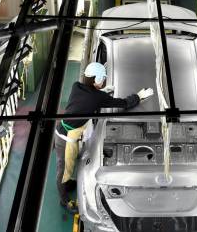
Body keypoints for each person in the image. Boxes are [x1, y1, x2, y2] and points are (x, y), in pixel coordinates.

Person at [55, 62, 153, 212]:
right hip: (66, 139)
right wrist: (138, 96)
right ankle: (64, 200)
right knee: (63, 171)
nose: (104, 81)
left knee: (68, 165)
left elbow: (86, 98)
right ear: (96, 80)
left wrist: (103, 92)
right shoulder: (96, 98)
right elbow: (124, 103)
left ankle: (67, 183)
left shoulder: (77, 86)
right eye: (102, 79)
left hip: (63, 132)